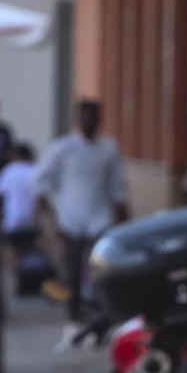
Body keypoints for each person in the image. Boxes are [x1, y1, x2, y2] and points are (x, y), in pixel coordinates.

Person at [38, 99, 129, 316]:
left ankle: (99, 308)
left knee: (99, 266)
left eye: (93, 116)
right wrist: (50, 210)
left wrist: (122, 214)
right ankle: (74, 309)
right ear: (77, 119)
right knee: (73, 269)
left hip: (99, 217)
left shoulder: (109, 148)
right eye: (84, 116)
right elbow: (42, 180)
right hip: (70, 217)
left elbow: (117, 185)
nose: (89, 120)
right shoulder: (63, 148)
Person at [0, 142, 42, 261]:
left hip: (11, 221)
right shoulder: (35, 171)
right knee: (30, 254)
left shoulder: (8, 171)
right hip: (30, 222)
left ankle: (16, 275)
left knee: (12, 255)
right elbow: (41, 198)